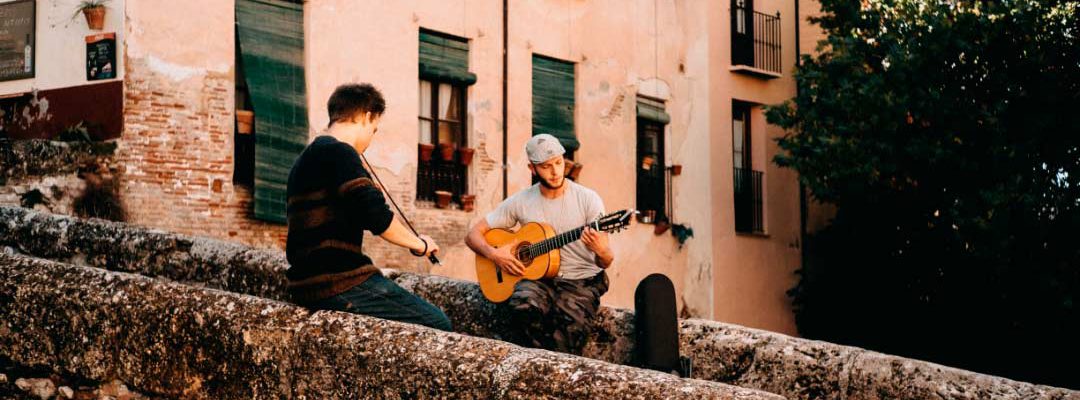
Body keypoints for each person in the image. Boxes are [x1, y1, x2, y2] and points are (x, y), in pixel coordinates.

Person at [285, 83, 452, 331]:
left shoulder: (307, 157)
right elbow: (377, 218)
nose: (372, 138)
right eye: (374, 130)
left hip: (303, 283)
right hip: (336, 281)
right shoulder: (341, 154)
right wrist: (421, 244)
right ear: (367, 116)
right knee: (438, 323)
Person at [464, 134, 615, 354]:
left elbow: (607, 260)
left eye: (558, 163)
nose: (555, 172)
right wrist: (494, 255)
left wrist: (601, 251)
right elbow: (473, 235)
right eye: (546, 166)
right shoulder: (522, 201)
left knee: (569, 334)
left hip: (580, 281)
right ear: (532, 169)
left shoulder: (588, 199)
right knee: (521, 306)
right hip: (539, 279)